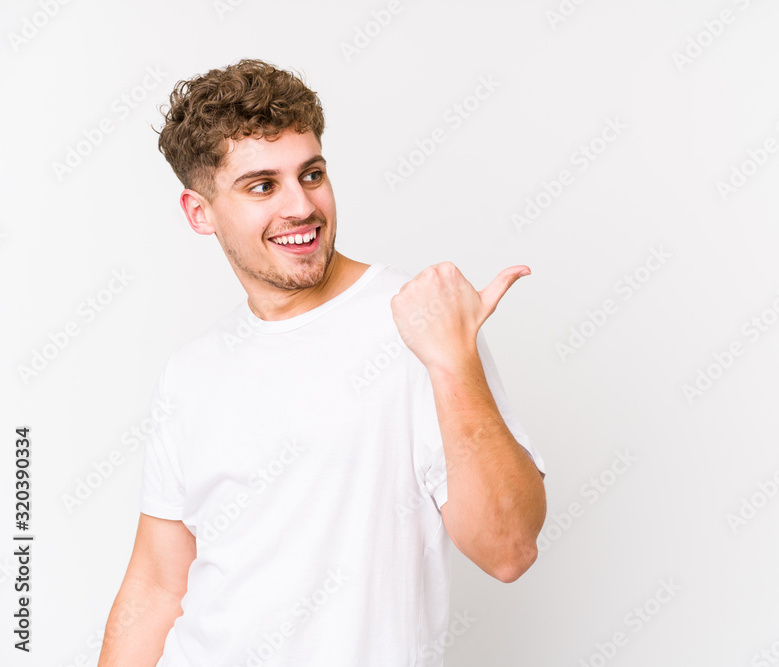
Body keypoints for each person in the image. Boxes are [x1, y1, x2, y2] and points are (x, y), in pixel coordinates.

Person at [97, 58, 547, 667]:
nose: (301, 206)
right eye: (263, 186)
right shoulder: (192, 370)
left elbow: (509, 549)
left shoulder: (422, 325)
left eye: (311, 174)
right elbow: (156, 584)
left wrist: (453, 361)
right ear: (199, 212)